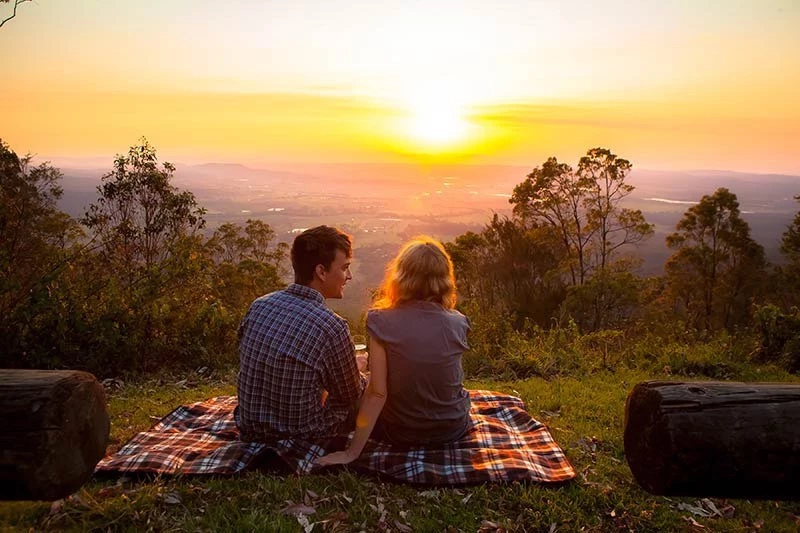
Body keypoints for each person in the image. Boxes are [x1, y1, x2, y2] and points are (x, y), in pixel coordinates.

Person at [317, 236, 471, 465]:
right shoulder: (459, 322)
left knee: (352, 390)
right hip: (452, 428)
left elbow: (377, 393)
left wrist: (351, 452)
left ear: (401, 276)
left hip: (399, 432)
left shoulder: (381, 320)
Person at [235, 225, 366, 442]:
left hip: (250, 427)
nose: (349, 276)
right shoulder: (331, 326)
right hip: (301, 435)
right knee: (370, 390)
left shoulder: (259, 305)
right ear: (321, 272)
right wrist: (358, 370)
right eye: (344, 268)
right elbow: (349, 395)